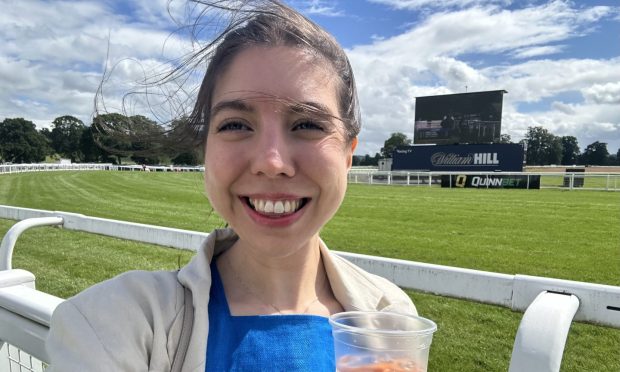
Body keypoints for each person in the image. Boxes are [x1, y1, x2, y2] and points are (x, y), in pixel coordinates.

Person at [46, 1, 417, 371]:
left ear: (348, 155)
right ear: (205, 149)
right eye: (236, 125)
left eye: (308, 125)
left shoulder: (394, 317)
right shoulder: (110, 325)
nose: (272, 162)